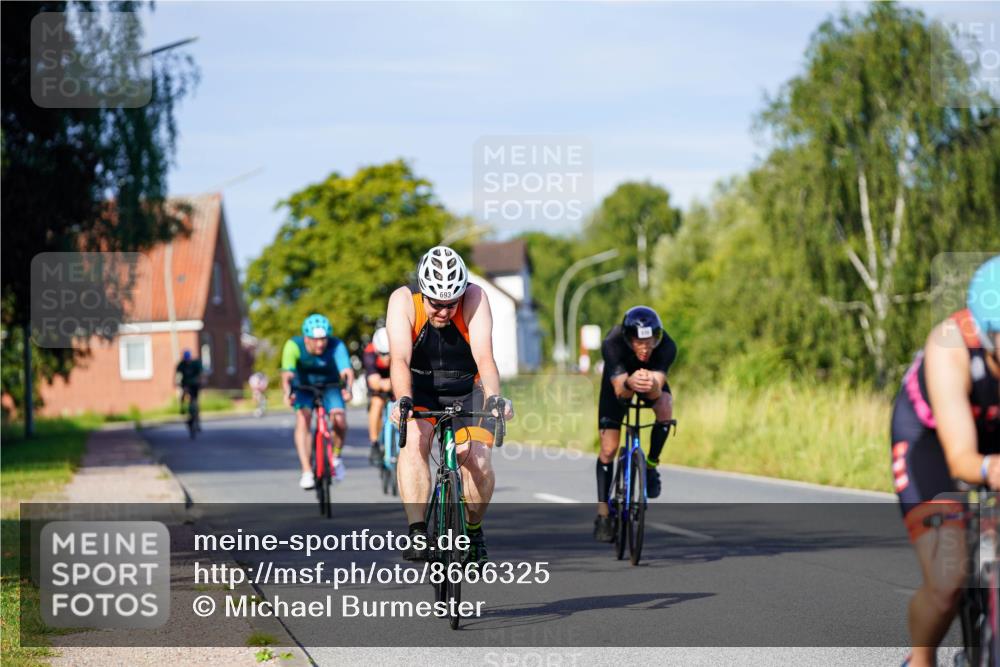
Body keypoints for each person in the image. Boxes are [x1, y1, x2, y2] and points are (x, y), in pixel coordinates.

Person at [892, 256, 1000, 667]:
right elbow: (963, 461)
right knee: (946, 583)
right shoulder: (950, 347)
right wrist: (991, 470)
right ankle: (920, 660)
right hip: (933, 442)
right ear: (988, 334)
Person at [386, 246, 513, 564]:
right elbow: (399, 358)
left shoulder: (475, 298)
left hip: (465, 388)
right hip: (420, 387)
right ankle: (417, 531)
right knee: (414, 441)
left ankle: (473, 531)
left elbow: (484, 356)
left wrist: (495, 398)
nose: (443, 312)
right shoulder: (403, 300)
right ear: (422, 291)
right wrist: (403, 400)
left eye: (450, 304)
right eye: (436, 304)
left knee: (480, 462)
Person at [593, 306, 677, 543]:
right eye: (640, 342)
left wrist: (650, 383)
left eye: (650, 342)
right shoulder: (613, 342)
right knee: (608, 449)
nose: (645, 348)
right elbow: (620, 391)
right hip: (619, 382)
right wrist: (630, 381)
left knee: (665, 405)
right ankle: (603, 514)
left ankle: (650, 465)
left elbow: (658, 388)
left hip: (649, 382)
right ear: (629, 339)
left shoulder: (667, 346)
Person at [281, 314, 355, 490]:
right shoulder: (293, 345)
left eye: (323, 339)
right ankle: (307, 470)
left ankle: (336, 457)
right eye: (315, 340)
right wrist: (287, 392)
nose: (320, 344)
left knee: (339, 420)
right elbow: (287, 373)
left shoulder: (336, 345)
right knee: (303, 418)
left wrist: (348, 389)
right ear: (306, 338)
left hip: (330, 386)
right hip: (303, 387)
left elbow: (346, 370)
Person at [365, 327, 393, 465]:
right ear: (376, 350)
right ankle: (374, 442)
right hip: (379, 380)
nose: (387, 357)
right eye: (383, 354)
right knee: (376, 403)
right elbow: (374, 382)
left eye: (389, 353)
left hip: (395, 377)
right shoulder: (369, 353)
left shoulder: (401, 346)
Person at [175, 350, 204, 423]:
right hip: (186, 384)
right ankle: (182, 408)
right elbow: (177, 374)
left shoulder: (196, 363)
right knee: (184, 394)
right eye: (186, 359)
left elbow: (201, 373)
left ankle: (197, 415)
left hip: (195, 384)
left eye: (188, 359)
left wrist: (202, 381)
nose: (187, 361)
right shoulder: (181, 364)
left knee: (195, 399)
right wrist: (176, 382)